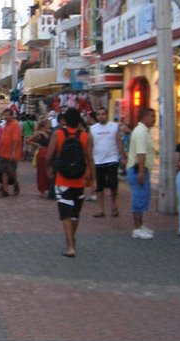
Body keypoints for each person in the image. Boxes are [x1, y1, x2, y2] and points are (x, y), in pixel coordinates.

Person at [45, 107, 93, 258]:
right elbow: (90, 159)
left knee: (65, 214)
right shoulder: (85, 136)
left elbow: (48, 155)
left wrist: (49, 169)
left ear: (64, 120)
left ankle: (70, 246)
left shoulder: (58, 135)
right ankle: (72, 239)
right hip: (79, 180)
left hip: (62, 179)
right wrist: (92, 178)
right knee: (75, 214)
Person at [90, 106, 125, 218]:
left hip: (112, 159)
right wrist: (90, 159)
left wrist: (122, 156)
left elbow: (119, 142)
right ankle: (101, 209)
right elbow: (90, 145)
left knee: (113, 184)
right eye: (99, 114)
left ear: (107, 114)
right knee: (99, 186)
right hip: (98, 160)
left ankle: (114, 205)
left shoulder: (114, 127)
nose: (101, 116)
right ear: (96, 116)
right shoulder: (93, 129)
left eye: (103, 114)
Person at [127, 107, 157, 239]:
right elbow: (141, 154)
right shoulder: (141, 132)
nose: (154, 119)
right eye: (152, 116)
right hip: (138, 169)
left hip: (142, 169)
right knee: (138, 199)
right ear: (145, 117)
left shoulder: (145, 131)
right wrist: (141, 173)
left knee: (143, 198)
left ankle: (141, 224)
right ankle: (137, 228)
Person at [0, 107, 22, 196]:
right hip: (3, 152)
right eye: (4, 115)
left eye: (7, 115)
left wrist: (13, 152)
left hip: (12, 153)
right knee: (4, 171)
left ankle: (15, 184)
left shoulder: (15, 125)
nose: (5, 117)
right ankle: (5, 189)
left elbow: (16, 140)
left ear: (12, 116)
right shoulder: (5, 125)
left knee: (11, 172)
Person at [32, 115, 53, 197]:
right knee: (41, 172)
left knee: (48, 171)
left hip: (48, 152)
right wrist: (37, 145)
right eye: (49, 123)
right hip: (41, 153)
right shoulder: (39, 133)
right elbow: (28, 140)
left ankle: (47, 188)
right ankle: (42, 190)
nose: (50, 125)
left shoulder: (50, 132)